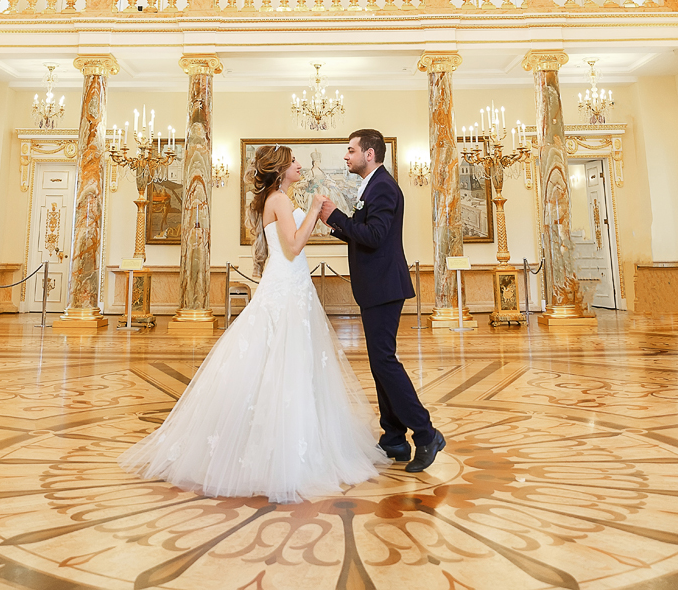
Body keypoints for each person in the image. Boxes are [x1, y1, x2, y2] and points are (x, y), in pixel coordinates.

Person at [119, 144, 388, 503]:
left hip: (291, 282)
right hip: (287, 282)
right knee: (281, 357)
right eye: (293, 162)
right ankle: (280, 450)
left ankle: (291, 437)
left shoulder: (277, 198)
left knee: (289, 360)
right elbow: (293, 245)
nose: (298, 165)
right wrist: (311, 210)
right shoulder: (278, 199)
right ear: (280, 171)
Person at [319, 129, 446, 473]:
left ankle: (425, 433)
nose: (346, 156)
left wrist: (335, 216)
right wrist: (335, 226)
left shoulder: (384, 187)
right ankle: (393, 437)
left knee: (385, 363)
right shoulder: (373, 185)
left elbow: (374, 237)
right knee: (380, 363)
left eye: (351, 150)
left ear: (370, 154)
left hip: (384, 287)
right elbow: (367, 232)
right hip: (376, 287)